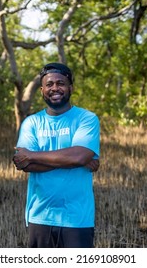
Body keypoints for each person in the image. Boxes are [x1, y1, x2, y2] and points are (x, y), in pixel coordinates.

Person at [12, 62, 100, 248]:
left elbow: (79, 157)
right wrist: (74, 159)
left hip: (77, 218)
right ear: (42, 89)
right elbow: (25, 165)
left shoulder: (87, 118)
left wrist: (33, 155)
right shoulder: (31, 122)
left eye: (60, 83)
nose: (55, 88)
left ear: (70, 88)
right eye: (49, 84)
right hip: (40, 215)